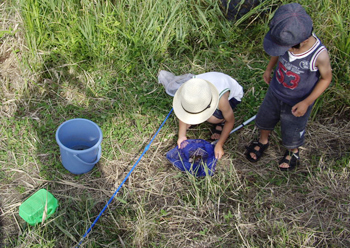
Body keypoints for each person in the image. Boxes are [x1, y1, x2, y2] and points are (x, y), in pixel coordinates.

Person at [245, 3, 332, 171]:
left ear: (304, 40)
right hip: (275, 91)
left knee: (292, 129)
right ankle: (263, 140)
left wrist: (307, 102)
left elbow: (326, 78)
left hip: (297, 101)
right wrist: (269, 68)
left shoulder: (319, 55)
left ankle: (292, 151)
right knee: (265, 118)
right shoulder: (287, 37)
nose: (284, 50)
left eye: (286, 47)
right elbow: (277, 52)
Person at [173, 72, 244, 160]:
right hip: (212, 85)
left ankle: (220, 122)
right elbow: (183, 110)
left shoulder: (221, 101)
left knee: (213, 119)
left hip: (233, 96)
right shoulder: (188, 91)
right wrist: (181, 136)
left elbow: (230, 121)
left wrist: (219, 144)